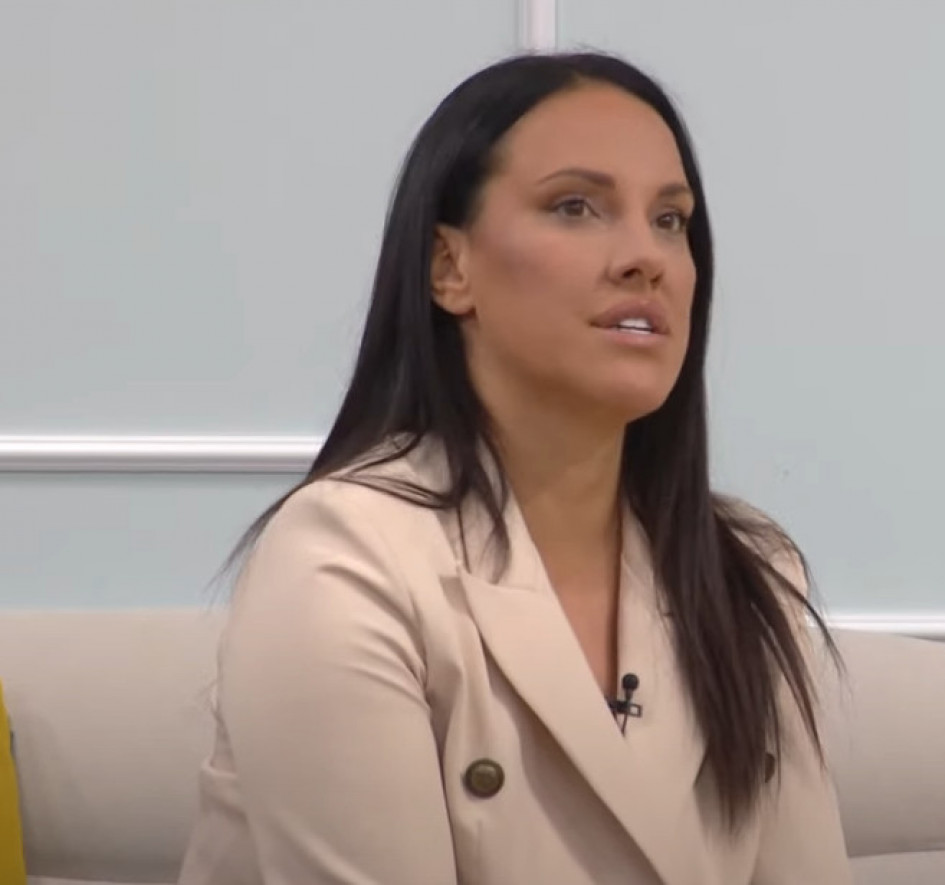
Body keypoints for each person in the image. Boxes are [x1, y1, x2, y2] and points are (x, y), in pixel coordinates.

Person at [177, 50, 849, 885]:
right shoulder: (343, 557)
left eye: (670, 220)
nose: (644, 256)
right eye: (576, 207)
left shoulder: (747, 569)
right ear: (449, 267)